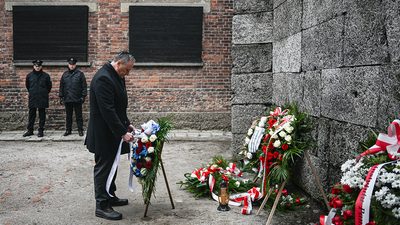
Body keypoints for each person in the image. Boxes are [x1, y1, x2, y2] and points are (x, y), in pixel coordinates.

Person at [85, 52, 136, 220]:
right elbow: (107, 110)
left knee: (112, 166)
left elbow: (119, 105)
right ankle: (102, 205)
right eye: (127, 70)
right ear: (119, 63)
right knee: (103, 169)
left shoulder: (116, 75)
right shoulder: (103, 78)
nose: (128, 74)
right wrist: (122, 132)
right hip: (103, 133)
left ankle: (110, 195)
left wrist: (126, 123)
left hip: (112, 132)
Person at [23, 60, 52, 137]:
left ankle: (41, 130)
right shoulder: (29, 76)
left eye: (39, 66)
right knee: (32, 114)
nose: (37, 67)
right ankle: (30, 130)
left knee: (42, 114)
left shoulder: (46, 76)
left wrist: (43, 93)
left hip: (42, 97)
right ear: (33, 67)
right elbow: (28, 86)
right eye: (36, 66)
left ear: (41, 66)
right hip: (33, 97)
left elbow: (49, 87)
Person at [59, 58, 87, 136]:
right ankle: (68, 130)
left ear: (75, 65)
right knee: (68, 116)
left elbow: (84, 86)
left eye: (73, 65)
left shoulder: (80, 74)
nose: (71, 66)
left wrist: (83, 96)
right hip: (67, 98)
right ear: (68, 65)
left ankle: (80, 130)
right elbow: (61, 86)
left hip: (77, 98)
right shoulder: (65, 75)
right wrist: (61, 97)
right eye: (70, 65)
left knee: (79, 116)